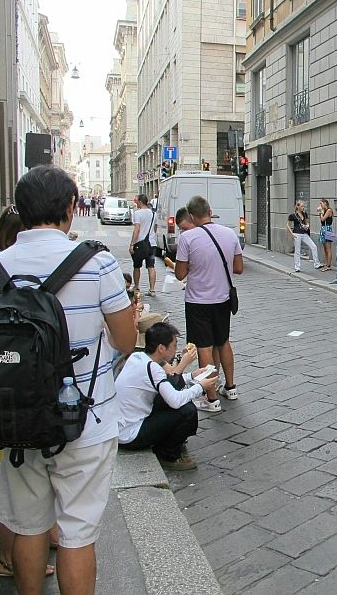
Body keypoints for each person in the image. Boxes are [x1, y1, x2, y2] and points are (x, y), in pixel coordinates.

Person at [0, 165, 136, 594]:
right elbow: (126, 340)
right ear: (72, 208)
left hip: (16, 418)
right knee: (77, 532)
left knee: (28, 524)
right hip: (85, 418)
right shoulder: (97, 264)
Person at [0, 202, 57, 581]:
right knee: (11, 492)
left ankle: (9, 556)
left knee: (8, 488)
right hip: (24, 399)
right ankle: (8, 557)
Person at [117, 323, 219, 471]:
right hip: (131, 435)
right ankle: (167, 454)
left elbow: (167, 383)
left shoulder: (138, 357)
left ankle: (167, 443)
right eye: (174, 345)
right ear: (161, 348)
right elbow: (175, 400)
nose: (176, 349)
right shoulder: (153, 368)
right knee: (188, 410)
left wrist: (192, 376)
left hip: (121, 428)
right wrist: (201, 386)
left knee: (176, 401)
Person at [175, 196, 243, 405]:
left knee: (204, 347)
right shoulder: (229, 234)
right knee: (223, 342)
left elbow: (179, 274)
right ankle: (230, 387)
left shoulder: (188, 238)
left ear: (192, 217)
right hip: (222, 299)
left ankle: (210, 398)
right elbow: (239, 268)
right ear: (210, 211)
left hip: (198, 302)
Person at [129, 194, 157, 296]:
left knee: (137, 266)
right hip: (152, 243)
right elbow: (155, 228)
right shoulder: (154, 214)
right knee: (151, 266)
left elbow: (137, 229)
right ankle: (152, 289)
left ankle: (136, 288)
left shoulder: (137, 213)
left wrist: (132, 244)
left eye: (137, 202)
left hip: (139, 243)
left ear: (140, 202)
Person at [286, 200, 321, 272]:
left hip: (304, 233)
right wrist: (292, 234)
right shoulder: (293, 215)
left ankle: (317, 264)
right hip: (296, 234)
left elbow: (307, 222)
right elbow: (287, 225)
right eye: (302, 206)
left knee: (314, 246)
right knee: (297, 250)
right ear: (298, 206)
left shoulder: (305, 214)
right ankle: (297, 267)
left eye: (303, 206)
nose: (303, 207)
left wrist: (307, 225)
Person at [317, 199, 334, 271]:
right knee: (324, 248)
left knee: (328, 248)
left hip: (328, 229)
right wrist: (321, 212)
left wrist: (321, 212)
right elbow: (321, 220)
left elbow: (323, 219)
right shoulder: (324, 211)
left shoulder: (329, 210)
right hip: (323, 228)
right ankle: (326, 262)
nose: (320, 205)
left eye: (321, 204)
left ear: (325, 203)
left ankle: (328, 265)